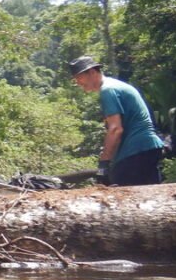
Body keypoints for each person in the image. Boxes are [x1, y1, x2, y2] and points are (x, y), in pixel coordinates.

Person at [69, 56, 165, 186]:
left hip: (136, 149)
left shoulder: (108, 90)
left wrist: (104, 163)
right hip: (148, 147)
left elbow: (115, 129)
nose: (78, 83)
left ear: (92, 72)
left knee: (121, 193)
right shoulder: (114, 85)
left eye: (79, 77)